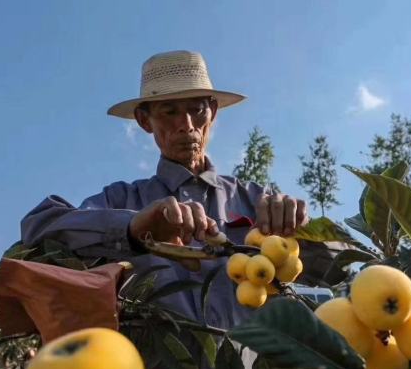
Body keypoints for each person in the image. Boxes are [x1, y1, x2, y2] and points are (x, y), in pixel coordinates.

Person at [21, 50, 308, 329]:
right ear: (145, 121)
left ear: (213, 112)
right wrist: (131, 229)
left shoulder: (256, 199)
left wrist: (302, 229)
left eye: (197, 111)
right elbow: (39, 228)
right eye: (169, 112)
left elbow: (337, 264)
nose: (186, 126)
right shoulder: (121, 199)